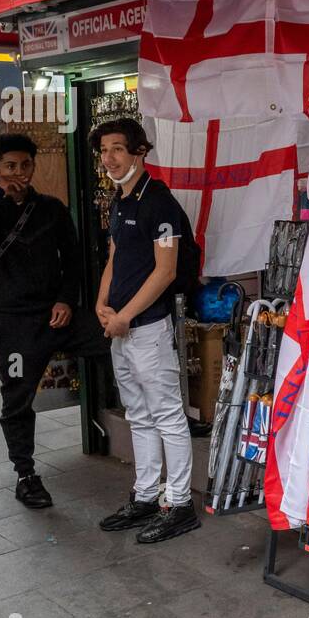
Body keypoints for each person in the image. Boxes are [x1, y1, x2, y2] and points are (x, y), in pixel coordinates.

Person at [0, 133, 109, 509]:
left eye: (25, 165)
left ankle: (138, 426)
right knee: (17, 399)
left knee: (114, 346)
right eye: (10, 166)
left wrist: (66, 300)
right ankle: (25, 475)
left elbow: (73, 260)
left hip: (58, 315)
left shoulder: (52, 208)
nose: (19, 173)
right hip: (14, 326)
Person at [91, 117, 200, 543]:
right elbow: (115, 259)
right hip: (120, 326)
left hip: (149, 328)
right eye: (103, 150)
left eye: (117, 148)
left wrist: (125, 315)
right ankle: (146, 495)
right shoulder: (120, 201)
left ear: (139, 151)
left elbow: (166, 270)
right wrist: (103, 304)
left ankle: (179, 504)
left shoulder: (160, 202)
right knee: (138, 414)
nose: (109, 158)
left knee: (168, 416)